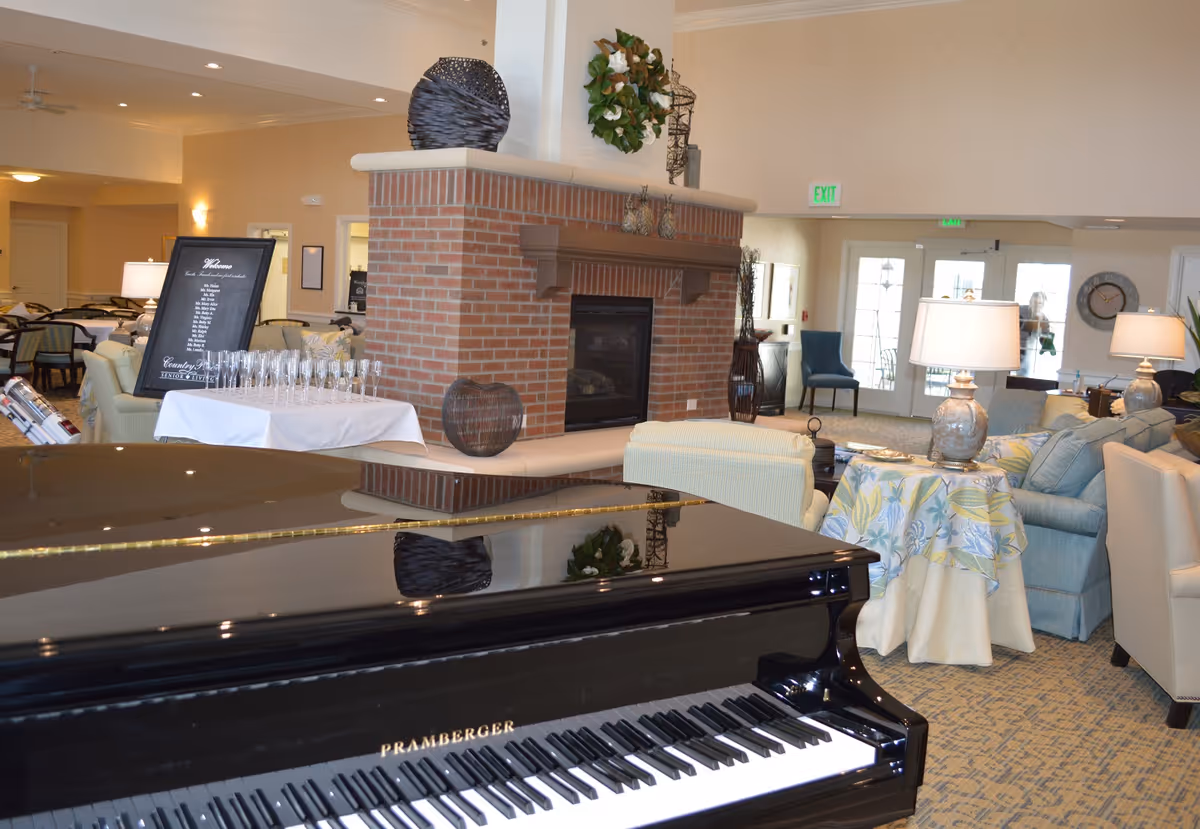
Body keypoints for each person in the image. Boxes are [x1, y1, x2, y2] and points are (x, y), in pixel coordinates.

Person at [1019, 291, 1051, 375]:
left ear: (1043, 305)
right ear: (1030, 302)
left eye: (1040, 303)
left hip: (1029, 355)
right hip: (1015, 351)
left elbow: (1046, 344)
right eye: (1035, 302)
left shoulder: (1044, 319)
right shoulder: (1021, 310)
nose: (1037, 306)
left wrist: (1047, 339)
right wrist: (1032, 325)